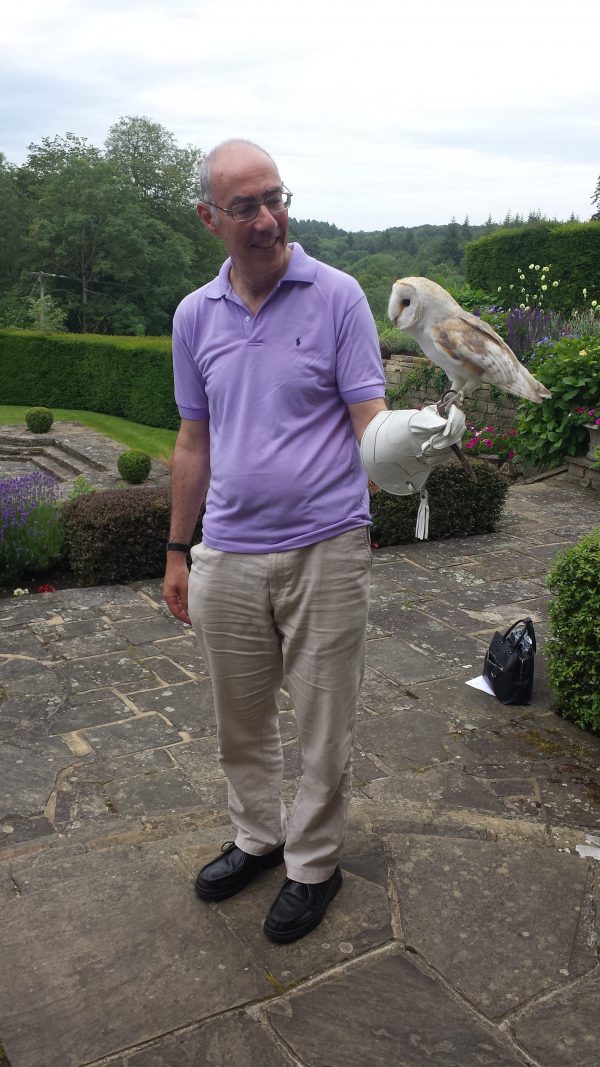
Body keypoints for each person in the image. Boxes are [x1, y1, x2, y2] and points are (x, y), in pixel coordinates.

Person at [163, 139, 387, 943]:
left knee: (326, 719)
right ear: (209, 219)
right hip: (227, 550)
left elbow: (371, 424)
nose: (268, 219)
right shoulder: (195, 315)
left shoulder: (339, 296)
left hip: (327, 543)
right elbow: (194, 441)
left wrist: (408, 446)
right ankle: (259, 836)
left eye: (276, 198)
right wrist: (178, 549)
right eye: (246, 206)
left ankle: (314, 863)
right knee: (240, 717)